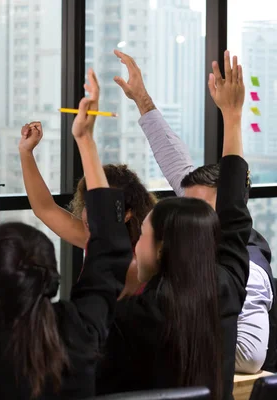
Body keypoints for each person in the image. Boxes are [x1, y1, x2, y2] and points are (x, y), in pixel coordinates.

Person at [0, 71, 133, 399]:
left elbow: (106, 243)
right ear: (50, 278)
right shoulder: (81, 332)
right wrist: (80, 141)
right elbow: (101, 243)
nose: (85, 217)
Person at [96, 51, 252, 400]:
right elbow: (232, 208)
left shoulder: (130, 317)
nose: (136, 242)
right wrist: (232, 116)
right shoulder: (224, 287)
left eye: (145, 235)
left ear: (164, 247)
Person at [19, 69, 156, 299]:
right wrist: (26, 152)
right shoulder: (92, 238)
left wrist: (84, 137)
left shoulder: (138, 259)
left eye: (101, 206)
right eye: (89, 206)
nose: (89, 216)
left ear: (127, 214)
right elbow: (44, 208)